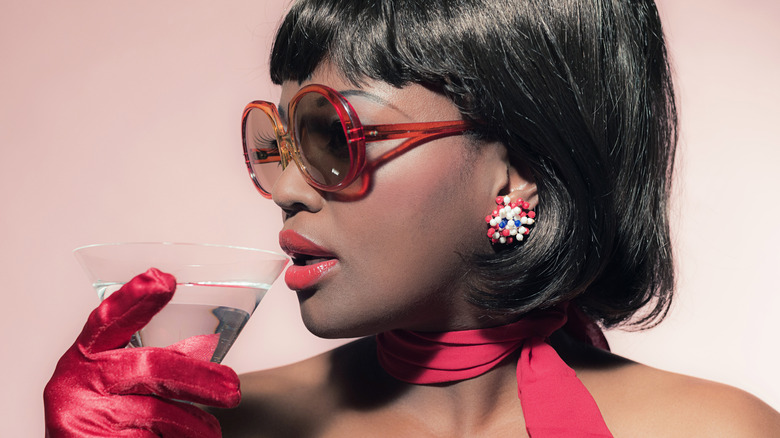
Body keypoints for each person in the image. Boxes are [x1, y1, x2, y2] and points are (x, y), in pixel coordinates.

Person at [44, 0, 780, 436]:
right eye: (278, 141)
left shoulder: (717, 430)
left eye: (334, 135)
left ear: (517, 171)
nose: (287, 189)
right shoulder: (212, 430)